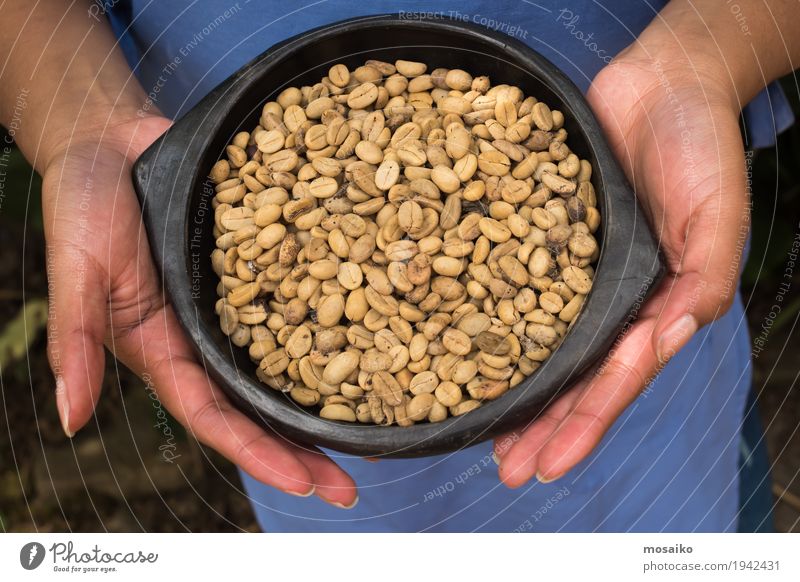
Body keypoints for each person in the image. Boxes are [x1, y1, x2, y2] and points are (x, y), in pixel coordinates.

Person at [1, 0, 796, 531]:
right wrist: (80, 116)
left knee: (675, 511)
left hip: (636, 300)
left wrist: (709, 53)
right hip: (325, 445)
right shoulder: (280, 261)